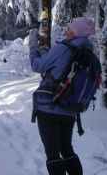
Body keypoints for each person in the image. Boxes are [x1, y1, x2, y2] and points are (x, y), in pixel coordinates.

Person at [29, 17, 96, 175]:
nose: (67, 30)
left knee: (52, 153)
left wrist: (33, 46)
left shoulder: (64, 47)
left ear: (76, 32)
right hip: (70, 109)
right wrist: (45, 49)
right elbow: (57, 68)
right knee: (67, 149)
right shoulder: (88, 53)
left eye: (70, 29)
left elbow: (38, 66)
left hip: (49, 106)